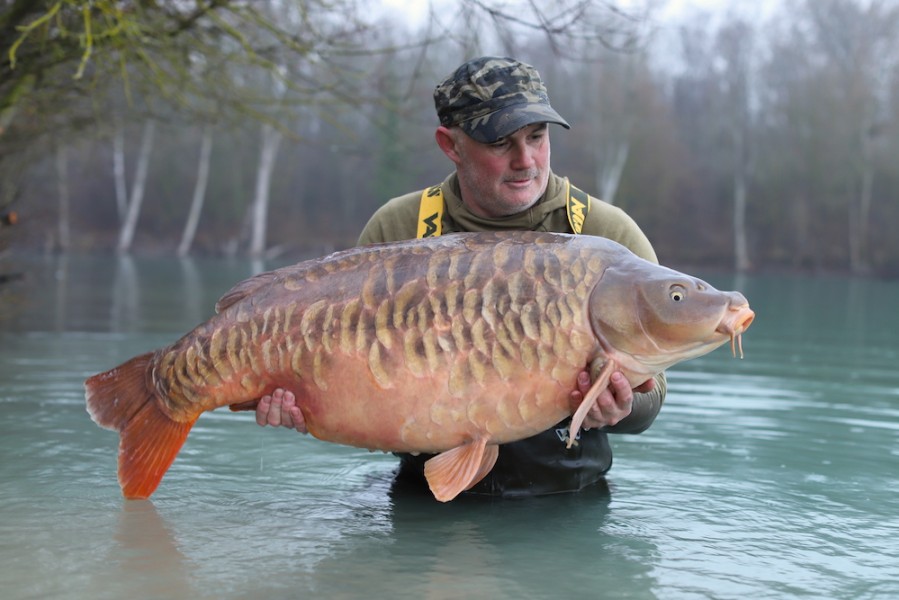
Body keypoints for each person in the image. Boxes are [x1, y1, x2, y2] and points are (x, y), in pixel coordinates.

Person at [256, 56, 667, 497]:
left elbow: (653, 396)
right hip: (422, 500)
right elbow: (352, 369)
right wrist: (306, 402)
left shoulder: (605, 236)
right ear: (451, 145)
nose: (525, 160)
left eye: (537, 137)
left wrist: (622, 406)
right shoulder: (400, 227)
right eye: (501, 143)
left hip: (567, 504)